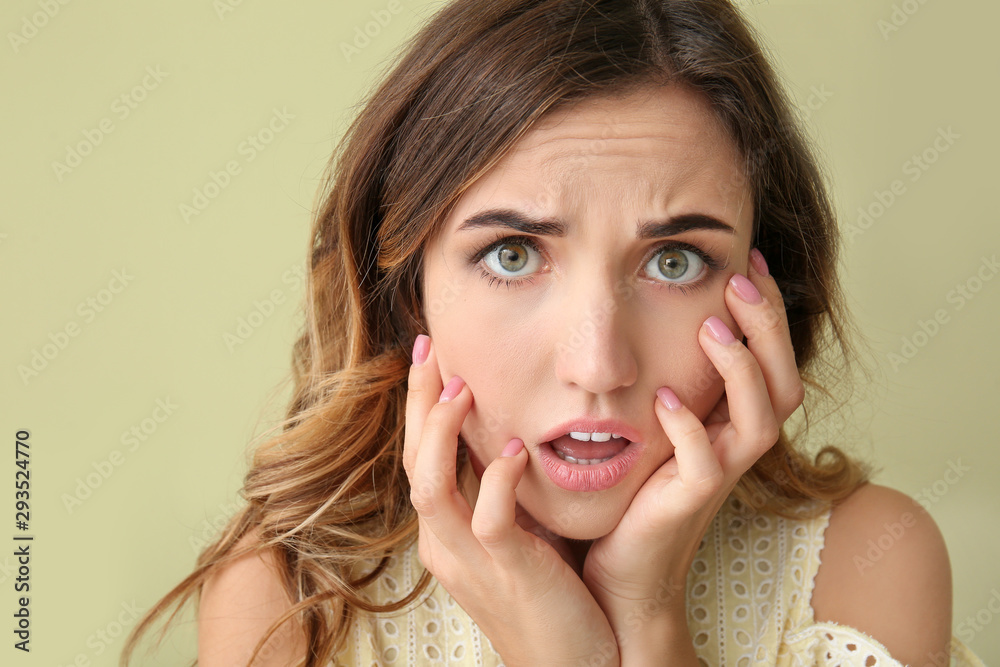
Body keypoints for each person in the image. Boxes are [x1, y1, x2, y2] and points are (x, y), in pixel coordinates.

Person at [122, 0, 986, 665]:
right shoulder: (292, 599)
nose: (598, 365)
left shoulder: (866, 563)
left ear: (764, 290)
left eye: (675, 261)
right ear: (406, 291)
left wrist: (646, 622)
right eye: (511, 253)